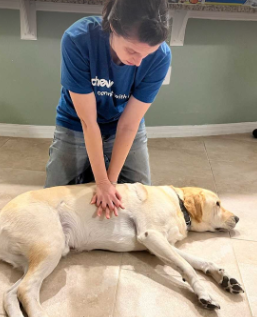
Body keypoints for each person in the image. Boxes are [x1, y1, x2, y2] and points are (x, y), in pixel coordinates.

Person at [45, 0, 172, 219]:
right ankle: (89, 169)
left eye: (147, 54)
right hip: (76, 122)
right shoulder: (77, 39)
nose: (139, 62)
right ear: (113, 27)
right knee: (52, 202)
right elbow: (88, 122)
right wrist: (102, 183)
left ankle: (96, 167)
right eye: (132, 50)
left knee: (144, 201)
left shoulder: (161, 56)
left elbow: (129, 125)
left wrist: (109, 182)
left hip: (123, 124)